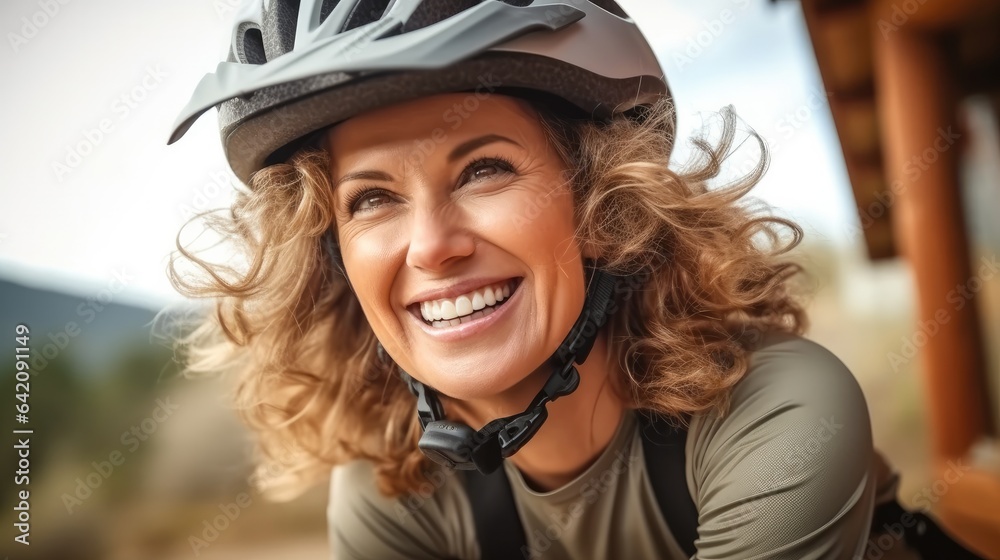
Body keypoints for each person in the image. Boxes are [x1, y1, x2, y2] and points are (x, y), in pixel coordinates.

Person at [168, 1, 926, 559]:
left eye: (484, 170)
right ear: (331, 258)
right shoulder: (397, 492)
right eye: (372, 199)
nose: (431, 247)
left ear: (605, 202)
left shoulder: (777, 414)